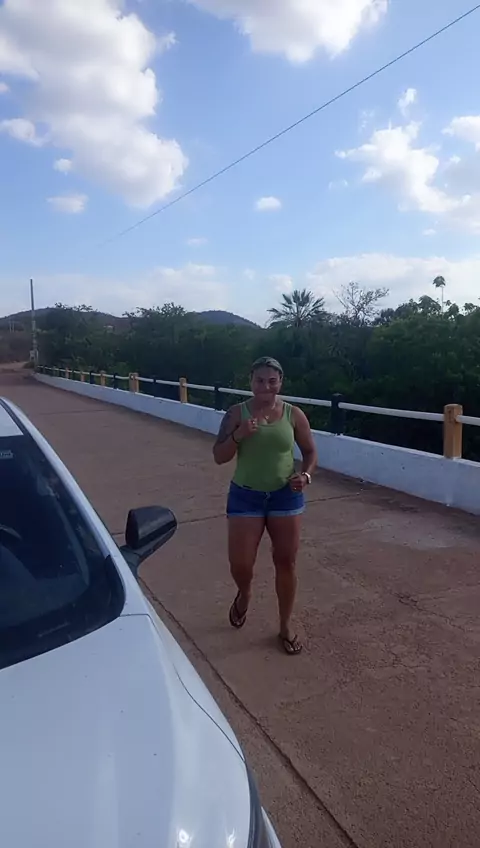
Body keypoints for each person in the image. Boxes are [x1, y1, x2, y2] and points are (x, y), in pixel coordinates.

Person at [213, 356, 317, 655]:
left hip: (286, 496)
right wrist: (239, 435)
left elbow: (310, 452)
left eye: (272, 381)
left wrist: (305, 476)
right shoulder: (236, 413)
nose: (266, 386)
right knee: (241, 564)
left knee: (286, 562)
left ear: (280, 382)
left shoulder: (293, 414)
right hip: (246, 496)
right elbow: (219, 456)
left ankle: (285, 625)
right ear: (251, 381)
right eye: (260, 380)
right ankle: (245, 593)